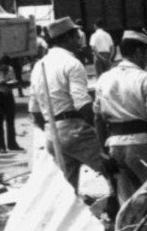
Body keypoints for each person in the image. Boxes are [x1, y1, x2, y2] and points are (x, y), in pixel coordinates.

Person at [29, 17, 110, 192]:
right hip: (74, 128)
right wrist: (99, 128)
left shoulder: (39, 66)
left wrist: (51, 129)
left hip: (52, 131)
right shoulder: (72, 63)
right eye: (76, 35)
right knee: (113, 170)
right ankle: (122, 212)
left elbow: (34, 110)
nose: (79, 39)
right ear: (67, 38)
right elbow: (82, 103)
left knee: (67, 189)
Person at [95, 31, 147, 204]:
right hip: (141, 145)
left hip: (114, 147)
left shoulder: (104, 78)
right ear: (138, 53)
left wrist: (102, 151)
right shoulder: (146, 79)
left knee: (127, 202)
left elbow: (98, 119)